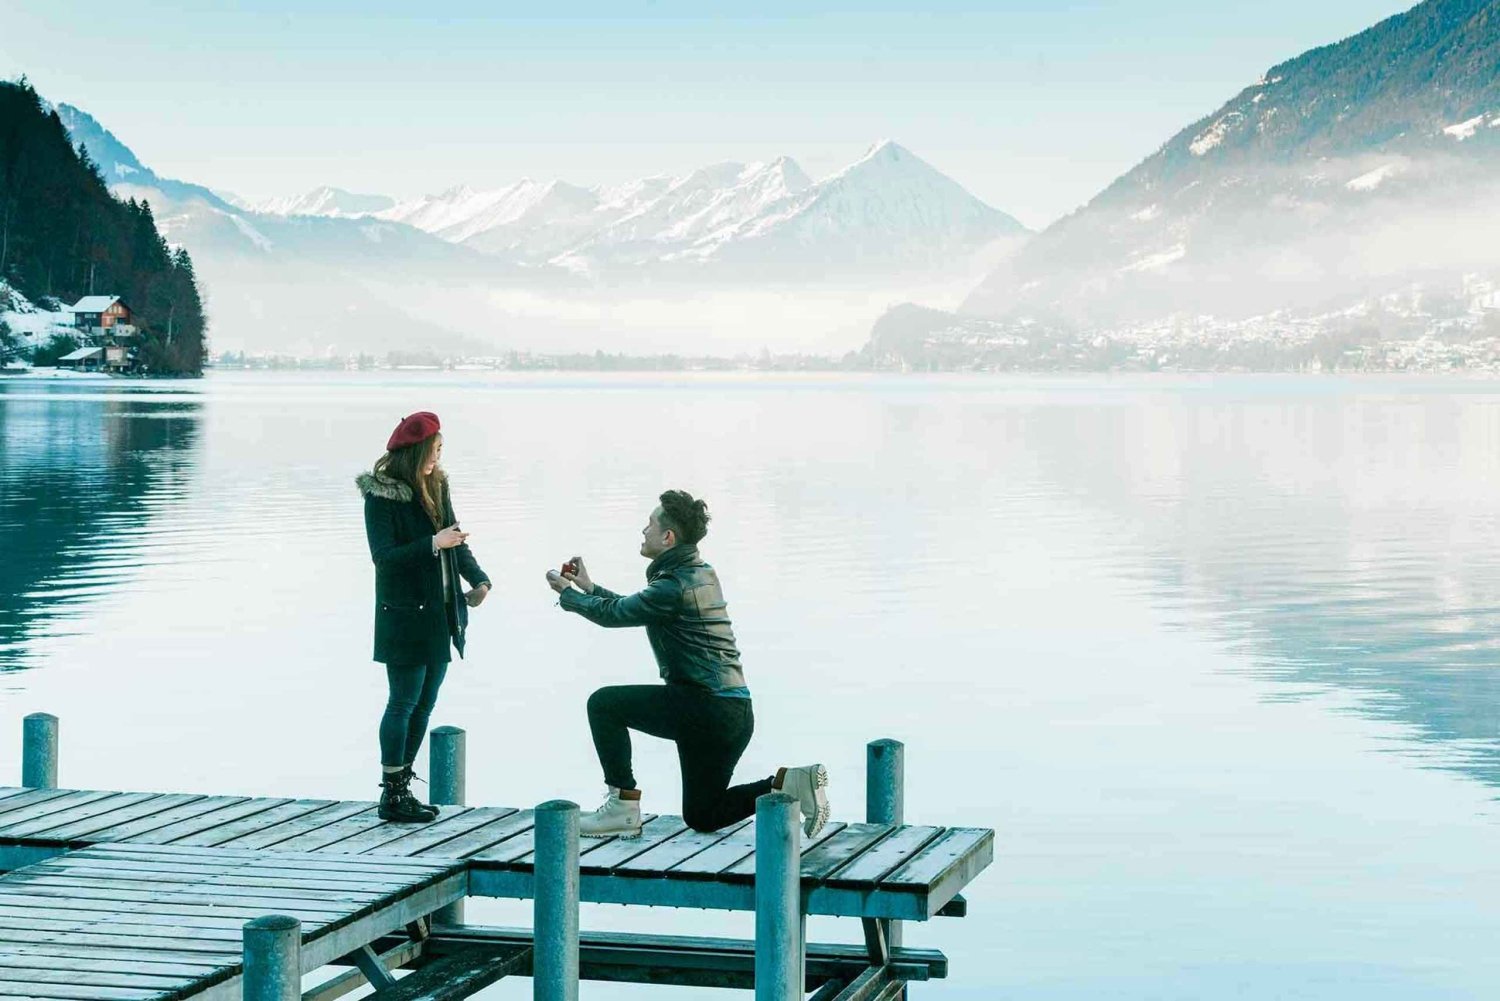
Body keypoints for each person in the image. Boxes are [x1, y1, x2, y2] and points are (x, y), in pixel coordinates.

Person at [546, 489, 829, 839]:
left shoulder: (673, 586)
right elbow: (633, 606)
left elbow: (615, 615)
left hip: (704, 707)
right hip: (731, 713)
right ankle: (788, 783)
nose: (643, 530)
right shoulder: (697, 573)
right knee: (703, 814)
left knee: (604, 704)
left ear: (668, 537)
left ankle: (622, 806)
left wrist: (568, 595)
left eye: (649, 525)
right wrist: (590, 589)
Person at [357, 411, 491, 823]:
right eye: (433, 451)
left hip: (440, 613)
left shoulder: (437, 485)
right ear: (415, 452)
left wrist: (480, 579)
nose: (437, 458)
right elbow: (384, 558)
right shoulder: (382, 495)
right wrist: (433, 542)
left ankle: (403, 789)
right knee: (402, 702)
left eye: (440, 450)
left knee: (425, 703)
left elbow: (455, 539)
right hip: (403, 614)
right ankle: (392, 794)